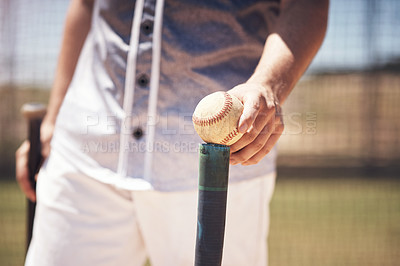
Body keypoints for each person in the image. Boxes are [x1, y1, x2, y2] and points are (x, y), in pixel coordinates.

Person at [16, 0, 328, 265]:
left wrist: (268, 85)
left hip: (222, 162)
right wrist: (52, 121)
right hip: (85, 150)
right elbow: (85, 5)